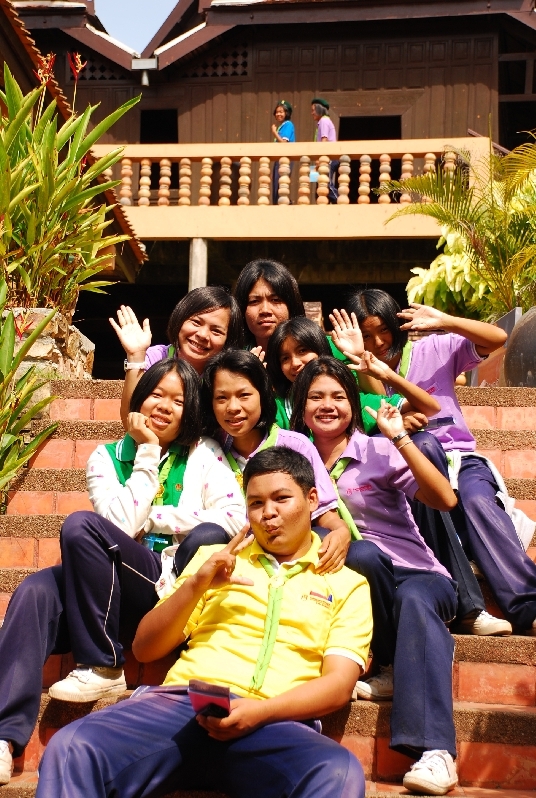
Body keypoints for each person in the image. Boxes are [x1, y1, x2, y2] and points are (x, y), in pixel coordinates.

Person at [35, 447, 373, 798]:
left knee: (338, 772)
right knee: (72, 747)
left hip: (276, 722)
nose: (268, 513)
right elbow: (145, 649)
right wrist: (196, 585)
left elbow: (338, 684)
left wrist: (261, 711)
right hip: (182, 708)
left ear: (312, 499)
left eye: (281, 499)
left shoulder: (348, 584)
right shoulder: (215, 560)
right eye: (256, 503)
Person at [0, 359, 246, 785]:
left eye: (178, 401)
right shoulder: (106, 457)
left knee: (81, 524)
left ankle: (103, 664)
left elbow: (232, 517)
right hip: (102, 589)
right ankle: (3, 738)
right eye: (156, 394)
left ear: (190, 411)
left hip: (162, 588)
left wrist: (159, 518)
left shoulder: (204, 452)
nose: (164, 406)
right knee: (36, 590)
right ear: (139, 398)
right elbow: (119, 526)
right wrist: (147, 451)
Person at [291, 356, 460, 795]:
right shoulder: (294, 460)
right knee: (362, 557)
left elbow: (444, 499)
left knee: (408, 594)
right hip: (352, 581)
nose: (328, 405)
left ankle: (436, 752)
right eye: (316, 397)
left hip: (417, 575)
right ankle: (388, 661)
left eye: (338, 396)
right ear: (300, 406)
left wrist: (399, 437)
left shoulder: (377, 450)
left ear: (353, 403)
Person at [347, 288, 536, 636]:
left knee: (478, 501)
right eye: (367, 335)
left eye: (383, 330)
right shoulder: (355, 371)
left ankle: (528, 606)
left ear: (396, 323)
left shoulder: (431, 348)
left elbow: (498, 338)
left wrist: (445, 321)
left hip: (460, 460)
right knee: (423, 447)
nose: (378, 342)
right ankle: (462, 602)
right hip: (404, 471)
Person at [194, 348, 352, 573]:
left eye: (244, 395)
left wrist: (341, 531)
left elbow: (324, 513)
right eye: (222, 398)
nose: (233, 408)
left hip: (291, 555)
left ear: (263, 394)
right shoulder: (207, 449)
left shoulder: (295, 445)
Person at [265, 314, 440, 432]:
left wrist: (386, 375)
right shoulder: (278, 406)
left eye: (303, 351)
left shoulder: (354, 401)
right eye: (285, 358)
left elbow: (431, 407)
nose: (295, 363)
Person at [110, 285, 244, 426]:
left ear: (228, 340)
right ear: (180, 319)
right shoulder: (156, 357)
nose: (203, 335)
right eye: (196, 322)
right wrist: (135, 357)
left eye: (216, 331)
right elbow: (131, 422)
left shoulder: (225, 374)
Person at [233, 258, 304, 351]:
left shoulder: (317, 351)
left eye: (275, 300)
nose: (265, 310)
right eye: (254, 301)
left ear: (291, 305)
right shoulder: (230, 357)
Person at [311, 97, 338, 203]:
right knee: (319, 188)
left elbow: (324, 140)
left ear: (319, 109)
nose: (312, 113)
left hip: (327, 158)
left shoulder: (324, 120)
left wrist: (320, 159)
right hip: (322, 158)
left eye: (313, 110)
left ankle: (340, 202)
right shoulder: (321, 122)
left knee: (325, 184)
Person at [271, 99, 295, 205]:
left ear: (286, 113)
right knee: (277, 188)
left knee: (280, 189)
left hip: (285, 160)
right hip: (279, 160)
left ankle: (288, 205)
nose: (278, 114)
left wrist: (274, 133)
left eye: (281, 112)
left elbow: (284, 143)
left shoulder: (288, 125)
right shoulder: (282, 126)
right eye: (277, 112)